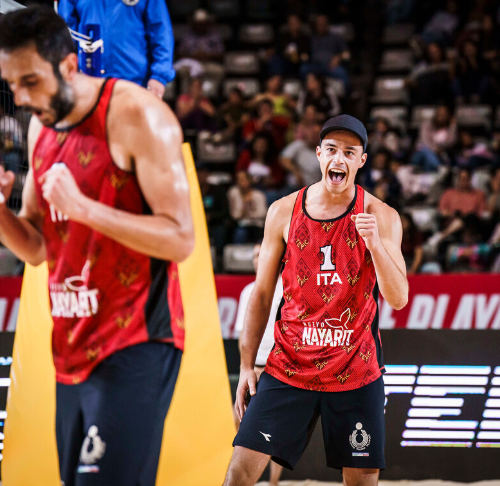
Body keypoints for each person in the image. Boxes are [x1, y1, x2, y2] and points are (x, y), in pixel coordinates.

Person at [0, 7, 194, 486]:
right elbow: (38, 248)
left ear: (69, 66)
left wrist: (85, 209)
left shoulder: (139, 115)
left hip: (137, 339)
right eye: (11, 85)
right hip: (71, 342)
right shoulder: (40, 128)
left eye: (31, 82)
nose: (21, 99)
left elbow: (179, 238)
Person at [223, 114, 408, 486]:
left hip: (356, 369)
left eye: (349, 153)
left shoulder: (381, 216)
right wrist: (246, 366)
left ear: (361, 161)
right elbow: (260, 294)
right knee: (239, 474)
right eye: (332, 151)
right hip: (289, 365)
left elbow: (398, 298)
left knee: (361, 481)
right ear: (320, 155)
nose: (339, 159)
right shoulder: (282, 211)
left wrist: (373, 245)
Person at [234, 243, 284, 486]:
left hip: (278, 367)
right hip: (254, 367)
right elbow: (243, 336)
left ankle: (273, 483)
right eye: (254, 255)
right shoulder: (247, 291)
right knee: (242, 423)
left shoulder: (287, 287)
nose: (257, 259)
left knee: (275, 431)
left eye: (261, 254)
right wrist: (246, 368)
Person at [58, 0, 175, 97]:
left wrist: (159, 76)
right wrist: (64, 73)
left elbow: (161, 32)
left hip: (135, 82)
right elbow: (65, 34)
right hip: (89, 82)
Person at [301, 14, 351, 91]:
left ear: (327, 24)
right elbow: (304, 54)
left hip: (331, 67)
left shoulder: (336, 37)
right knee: (303, 69)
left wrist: (339, 57)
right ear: (315, 25)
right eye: (319, 23)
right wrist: (305, 57)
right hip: (315, 66)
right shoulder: (310, 38)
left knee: (343, 73)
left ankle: (347, 97)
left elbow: (347, 54)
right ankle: (307, 96)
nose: (321, 25)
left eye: (323, 23)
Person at [280, 122, 323, 190]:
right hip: (294, 187)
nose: (312, 136)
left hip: (312, 190)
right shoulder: (299, 145)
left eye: (315, 134)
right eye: (311, 133)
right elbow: (283, 159)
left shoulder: (323, 153)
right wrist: (295, 171)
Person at [228, 171, 268, 244]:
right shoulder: (234, 193)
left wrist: (247, 214)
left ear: (249, 180)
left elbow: (263, 213)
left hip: (257, 225)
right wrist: (243, 205)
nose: (241, 183)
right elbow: (235, 215)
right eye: (238, 180)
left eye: (243, 179)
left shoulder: (259, 195)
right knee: (240, 233)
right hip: (241, 225)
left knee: (261, 235)